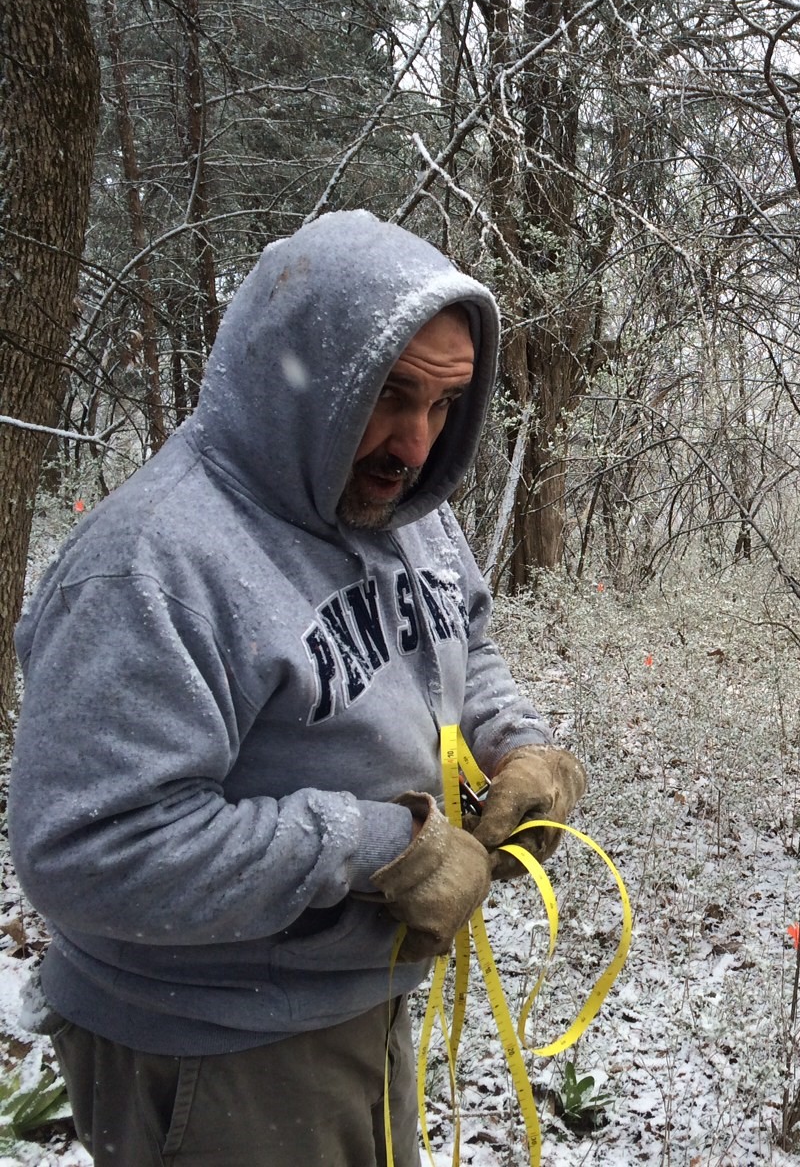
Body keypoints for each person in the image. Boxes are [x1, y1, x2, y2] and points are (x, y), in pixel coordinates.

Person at [8, 210, 586, 1165]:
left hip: (354, 1000)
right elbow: (89, 849)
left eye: (446, 404)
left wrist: (514, 743)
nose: (415, 443)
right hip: (213, 1050)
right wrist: (379, 848)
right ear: (305, 375)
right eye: (391, 393)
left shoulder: (398, 504)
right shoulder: (152, 565)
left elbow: (455, 637)